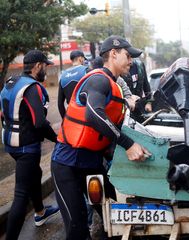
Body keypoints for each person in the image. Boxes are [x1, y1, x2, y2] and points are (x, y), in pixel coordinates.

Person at [51, 35, 151, 239]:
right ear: (113, 54)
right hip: (67, 165)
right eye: (128, 55)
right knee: (77, 229)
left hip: (91, 164)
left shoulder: (114, 84)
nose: (131, 61)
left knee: (116, 215)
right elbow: (94, 114)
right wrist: (128, 144)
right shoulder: (99, 79)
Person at [0, 50, 60, 240]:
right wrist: (58, 140)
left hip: (11, 143)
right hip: (27, 147)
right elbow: (40, 123)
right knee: (20, 194)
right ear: (37, 66)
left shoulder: (11, 82)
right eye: (45, 66)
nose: (46, 70)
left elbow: (4, 114)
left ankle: (41, 213)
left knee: (36, 174)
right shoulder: (32, 87)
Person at [58, 50, 88, 118]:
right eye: (83, 59)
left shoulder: (63, 76)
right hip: (85, 113)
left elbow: (60, 104)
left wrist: (65, 119)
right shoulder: (86, 71)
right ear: (80, 59)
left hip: (72, 114)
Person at [122, 58, 153, 122]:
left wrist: (149, 102)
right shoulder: (119, 68)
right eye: (127, 57)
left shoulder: (139, 65)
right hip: (125, 108)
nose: (130, 60)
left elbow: (146, 84)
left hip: (139, 106)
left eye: (130, 56)